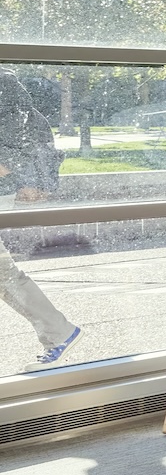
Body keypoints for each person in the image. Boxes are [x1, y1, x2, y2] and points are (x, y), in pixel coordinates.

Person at [0, 70, 80, 368]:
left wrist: (14, 172)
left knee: (4, 274)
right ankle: (59, 332)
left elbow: (15, 148)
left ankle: (58, 332)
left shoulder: (5, 85)